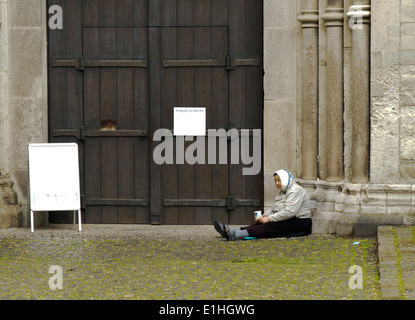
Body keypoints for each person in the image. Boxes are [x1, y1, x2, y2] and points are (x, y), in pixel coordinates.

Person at [214, 169, 313, 241]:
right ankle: (231, 232)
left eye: (279, 180)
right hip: (291, 219)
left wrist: (269, 219)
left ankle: (234, 234)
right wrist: (265, 216)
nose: (277, 183)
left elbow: (290, 212)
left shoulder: (296, 190)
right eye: (275, 181)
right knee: (261, 224)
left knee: (269, 227)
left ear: (285, 179)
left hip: (301, 222)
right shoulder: (283, 191)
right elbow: (274, 207)